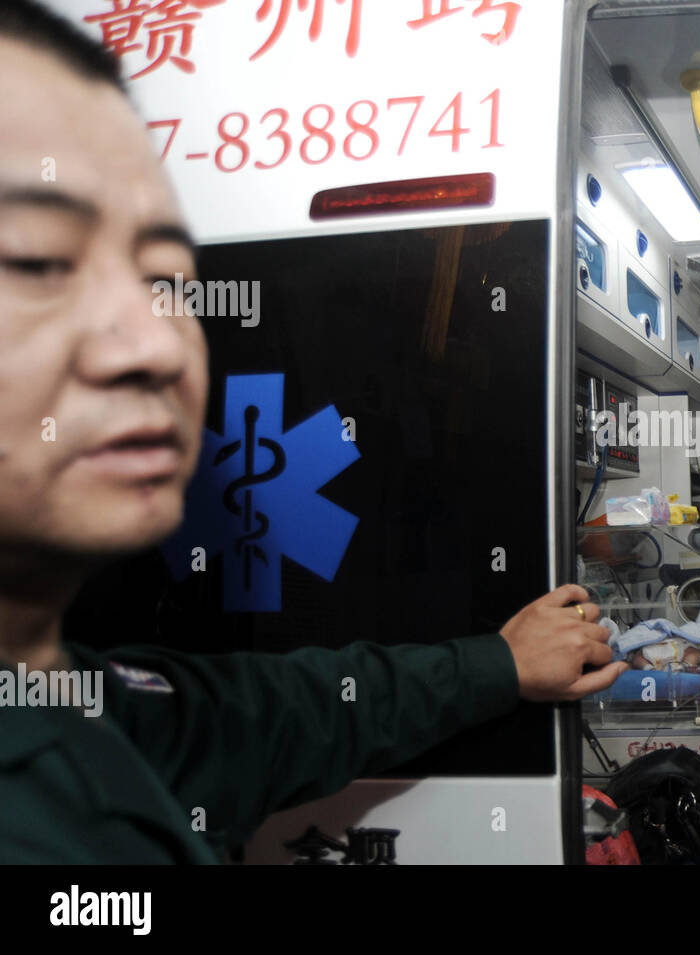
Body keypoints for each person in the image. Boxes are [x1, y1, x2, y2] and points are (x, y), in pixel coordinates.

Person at [0, 0, 624, 863]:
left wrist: (498, 663)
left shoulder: (96, 709)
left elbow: (290, 708)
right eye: (39, 260)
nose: (154, 341)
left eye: (164, 273)